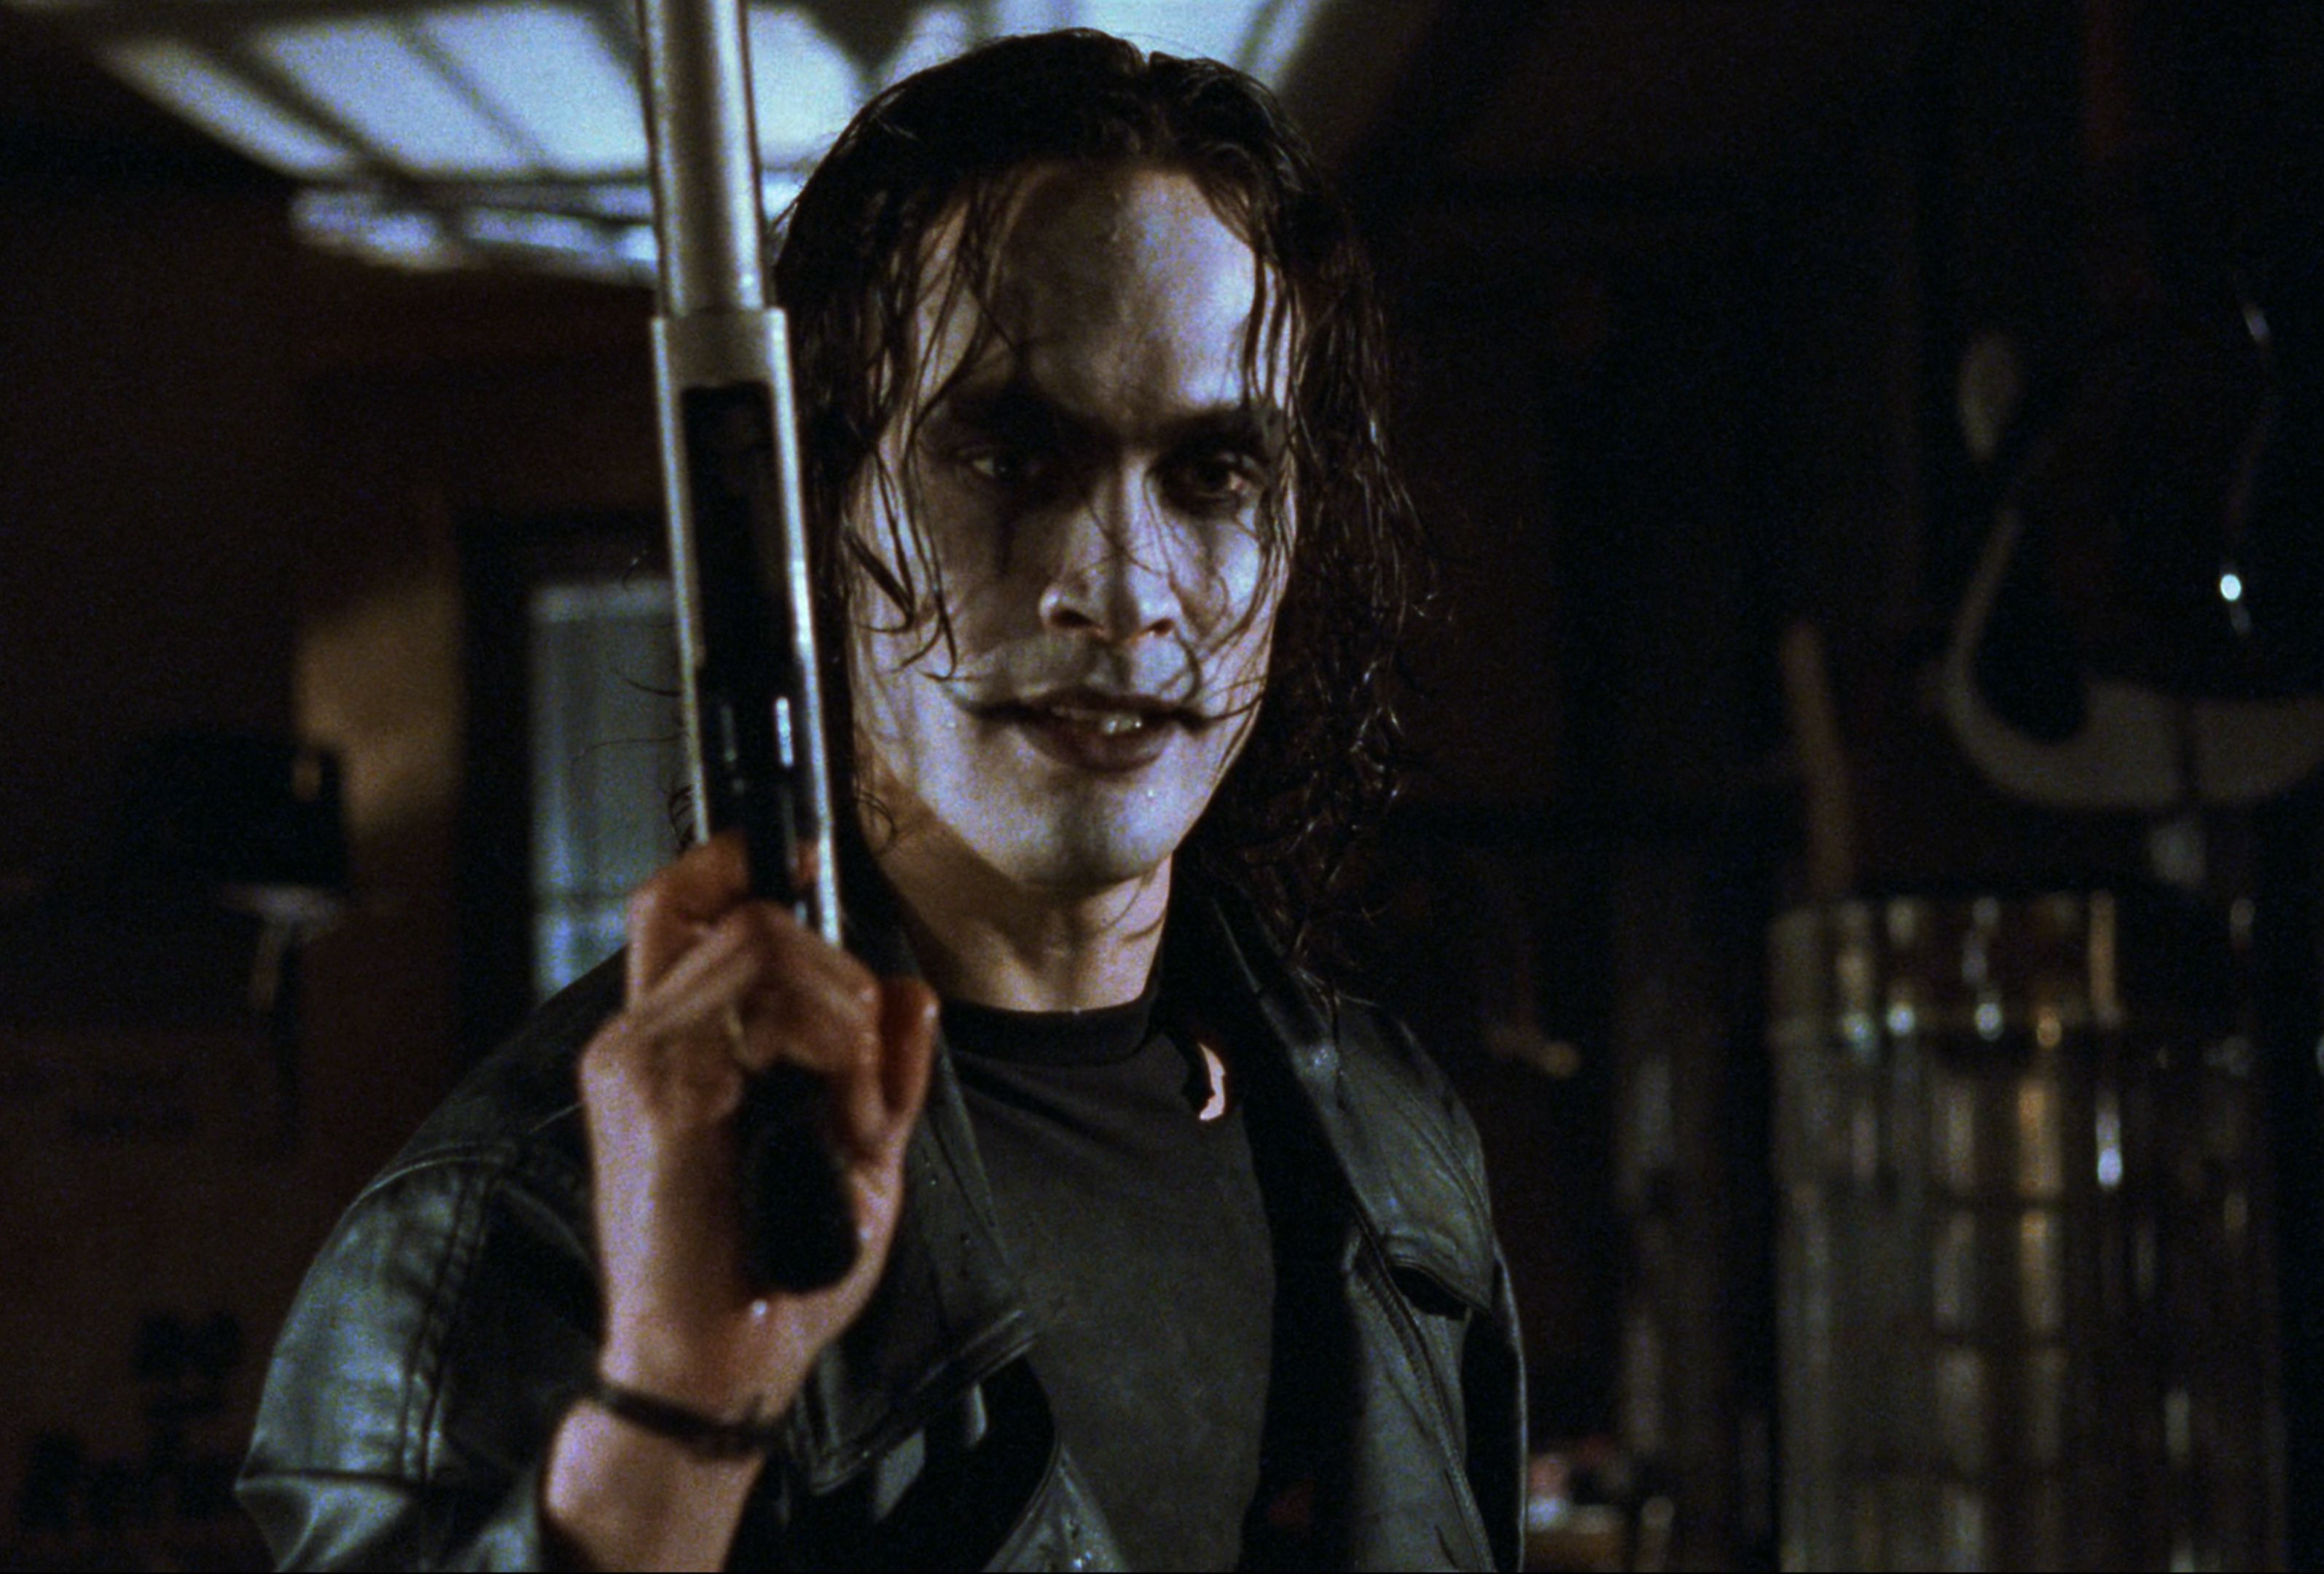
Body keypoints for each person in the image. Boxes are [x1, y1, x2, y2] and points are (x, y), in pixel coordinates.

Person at [237, 30, 1522, 1571]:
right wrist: (671, 1421)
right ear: (820, 509)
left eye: (1213, 474)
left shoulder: (1391, 1154)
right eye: (1011, 453)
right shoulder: (525, 1229)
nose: (1120, 592)